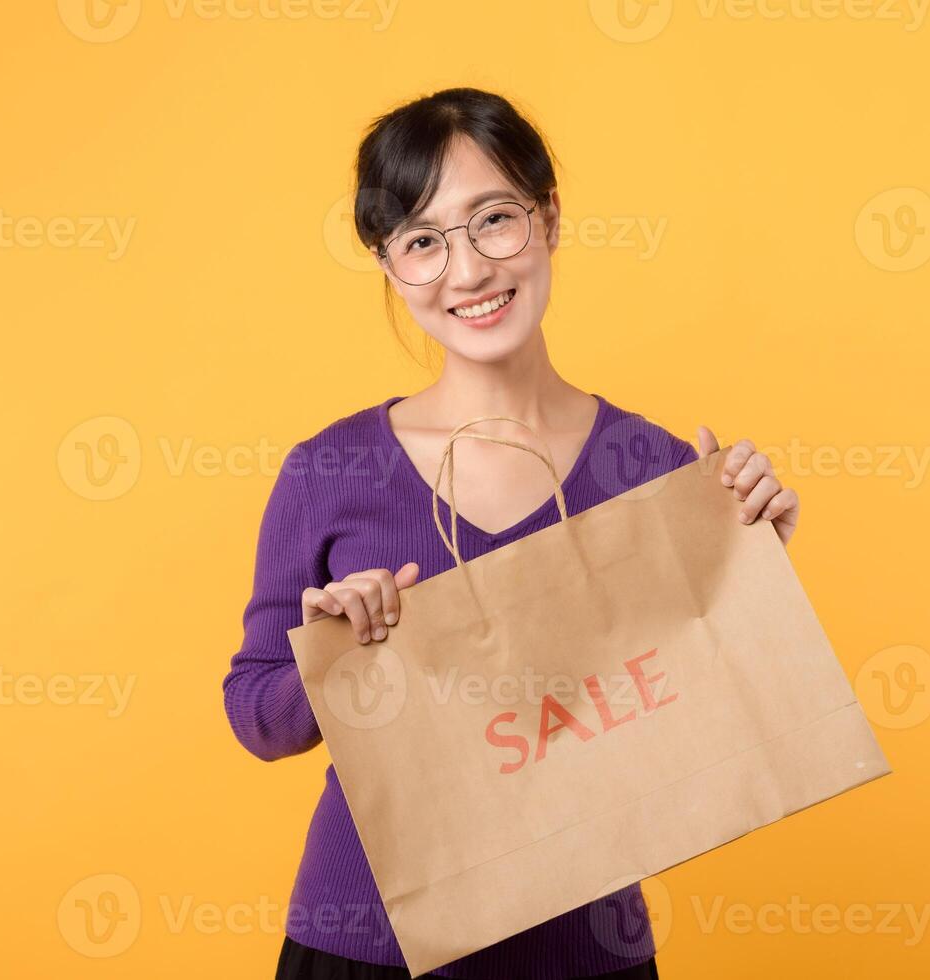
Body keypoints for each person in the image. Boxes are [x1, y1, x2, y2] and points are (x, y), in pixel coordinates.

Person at [222, 87, 800, 980]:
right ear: (389, 266)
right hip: (367, 944)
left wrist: (751, 569)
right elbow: (256, 718)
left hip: (587, 949)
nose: (467, 271)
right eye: (422, 241)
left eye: (494, 220)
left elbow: (700, 719)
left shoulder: (650, 465)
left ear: (550, 220)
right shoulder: (326, 470)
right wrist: (333, 656)